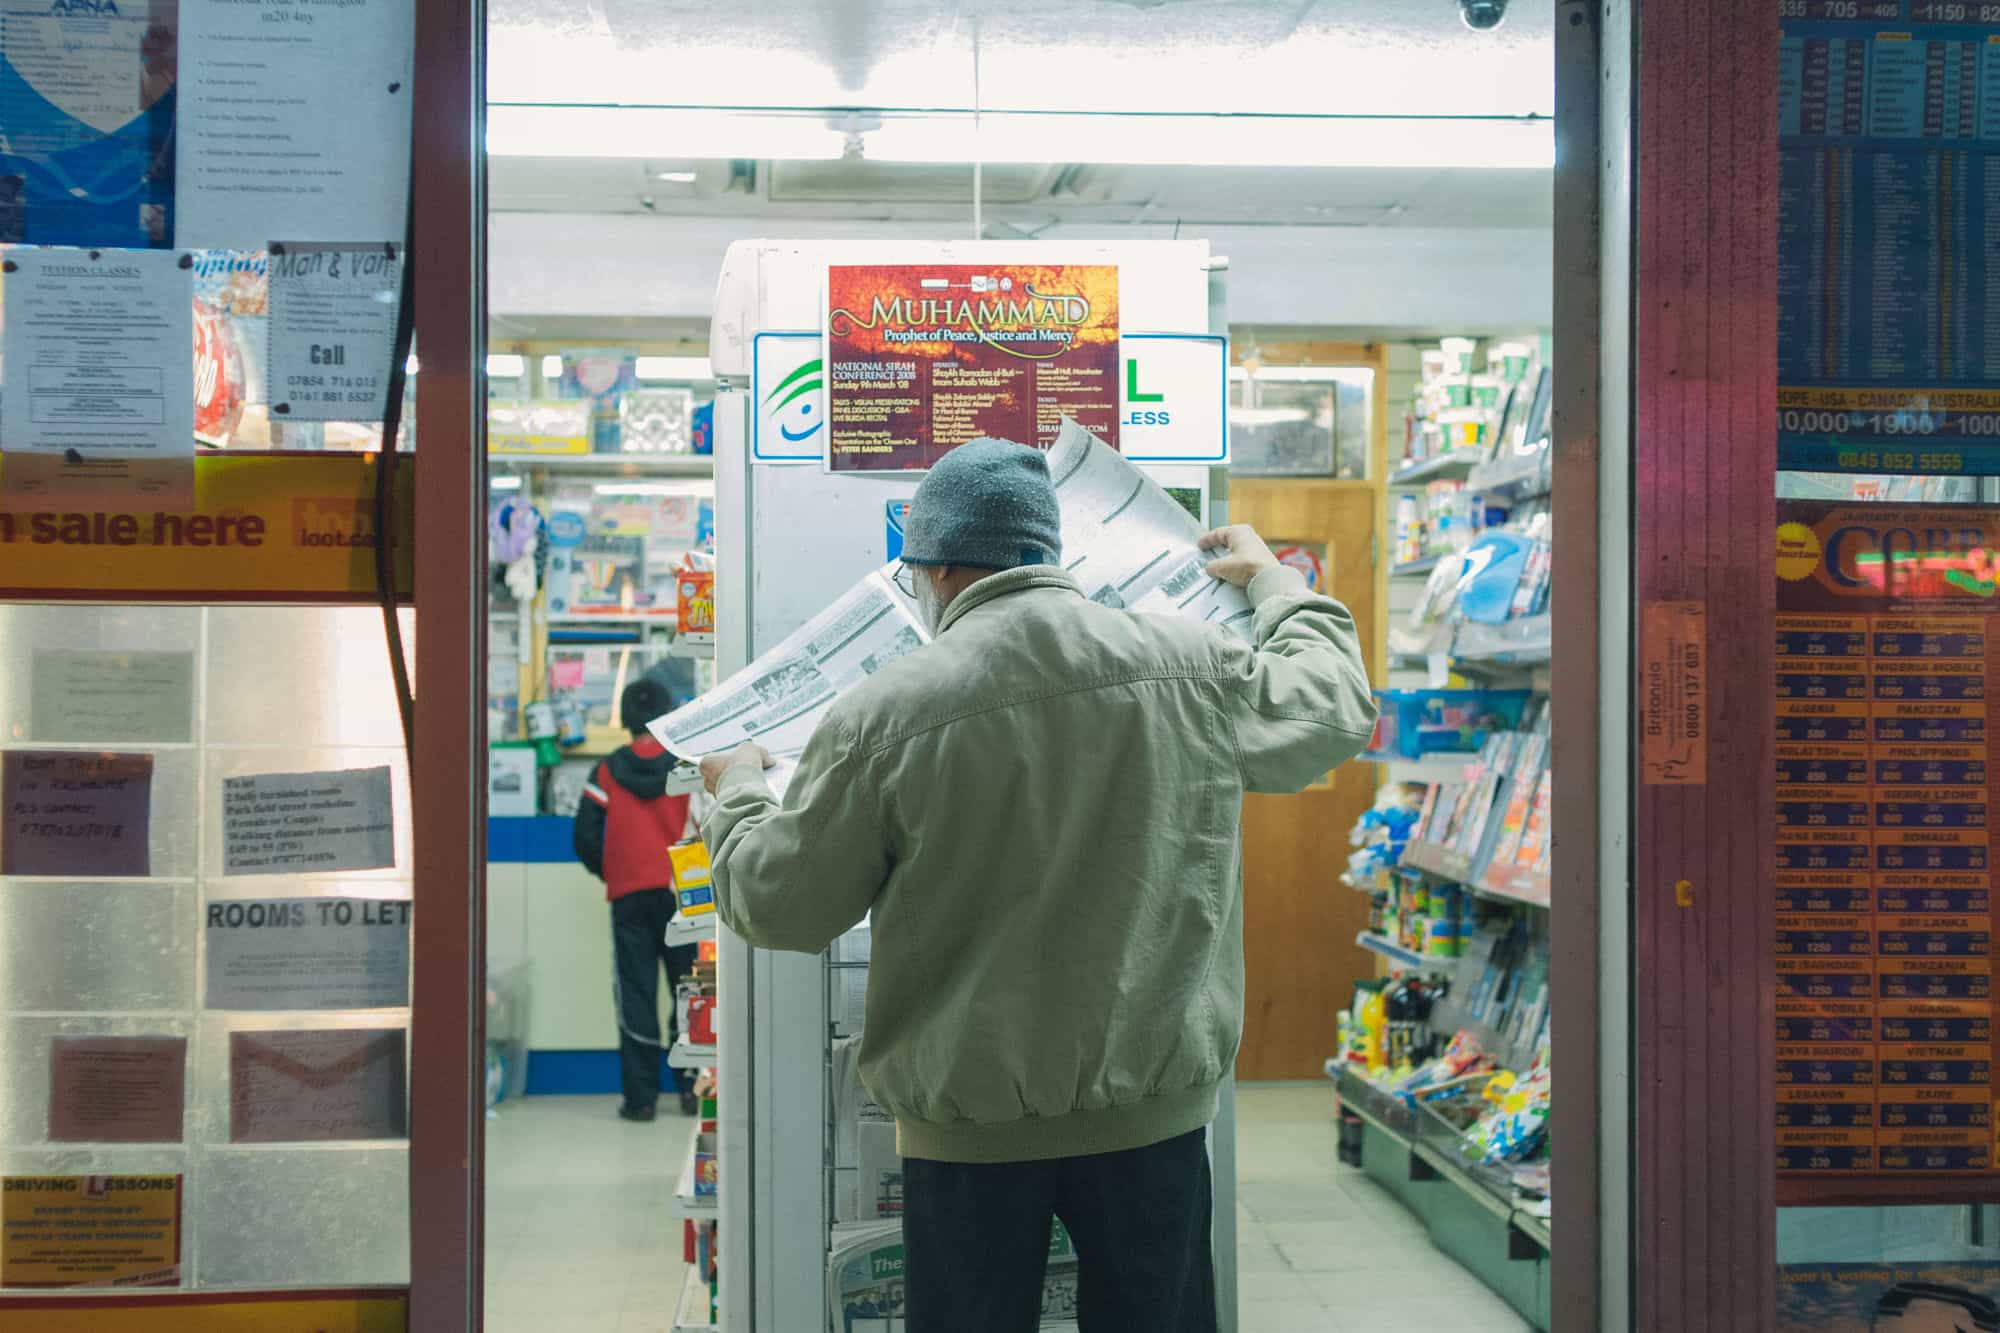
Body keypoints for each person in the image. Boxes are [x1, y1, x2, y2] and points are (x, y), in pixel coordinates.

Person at [698, 439, 1376, 1332]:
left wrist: (739, 789)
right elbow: (1332, 708)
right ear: (1045, 552)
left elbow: (779, 902)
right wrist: (1273, 584)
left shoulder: (886, 713)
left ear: (933, 568)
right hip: (1155, 1117)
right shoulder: (1188, 664)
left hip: (969, 1134)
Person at [574, 677, 700, 1121]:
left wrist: (611, 870)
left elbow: (584, 835)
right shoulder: (686, 766)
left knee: (636, 993)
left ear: (625, 719)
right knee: (690, 988)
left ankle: (642, 1100)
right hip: (682, 895)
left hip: (629, 896)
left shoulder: (606, 771)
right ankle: (692, 1092)